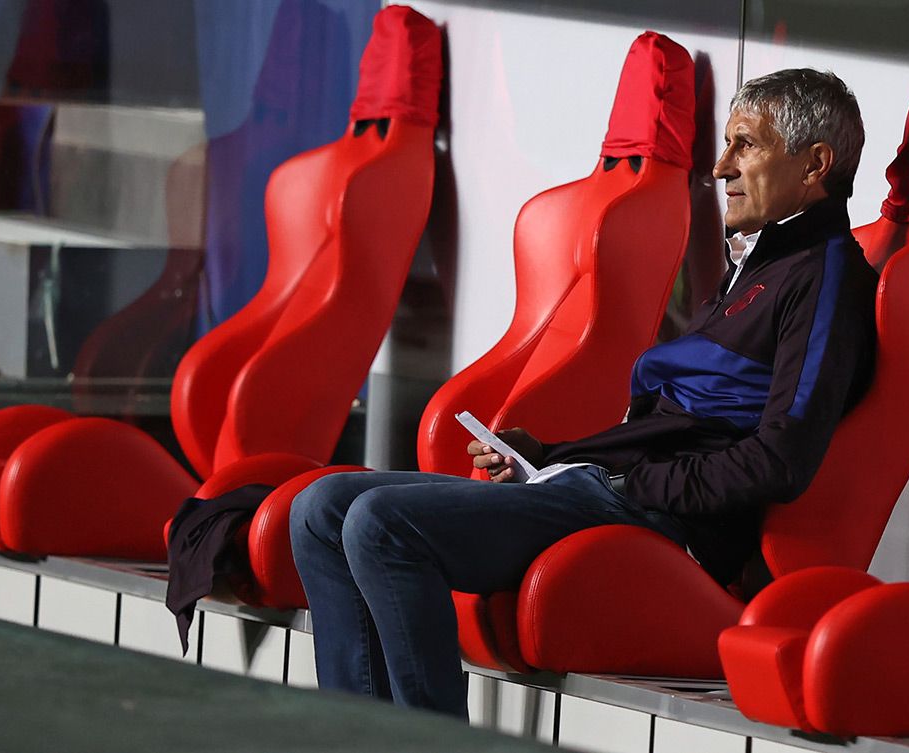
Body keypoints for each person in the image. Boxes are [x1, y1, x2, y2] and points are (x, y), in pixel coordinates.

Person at [290, 68, 877, 719]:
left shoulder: (827, 277)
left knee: (382, 526)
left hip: (664, 522)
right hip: (600, 485)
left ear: (815, 165)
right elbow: (675, 424)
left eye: (747, 145)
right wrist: (548, 453)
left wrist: (633, 481)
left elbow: (780, 460)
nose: (720, 166)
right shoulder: (757, 266)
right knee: (319, 508)